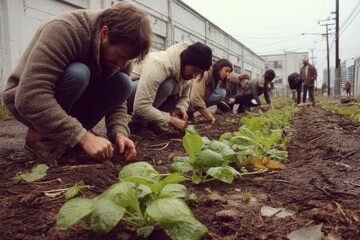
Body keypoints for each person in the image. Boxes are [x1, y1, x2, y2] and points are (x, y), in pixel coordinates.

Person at [1, 3, 152, 162]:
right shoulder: (65, 29)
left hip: (71, 102)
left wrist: (119, 132)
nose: (122, 64)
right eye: (121, 56)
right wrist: (83, 137)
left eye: (128, 59)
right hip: (26, 99)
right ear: (104, 33)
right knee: (78, 74)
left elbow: (118, 103)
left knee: (124, 83)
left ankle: (66, 139)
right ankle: (40, 138)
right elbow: (30, 97)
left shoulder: (122, 54)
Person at [127, 41, 212, 135]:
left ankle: (150, 123)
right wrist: (170, 119)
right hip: (125, 97)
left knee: (172, 93)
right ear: (186, 61)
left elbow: (184, 97)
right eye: (195, 70)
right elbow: (140, 106)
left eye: (199, 73)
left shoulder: (185, 72)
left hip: (140, 101)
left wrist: (181, 107)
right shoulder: (160, 63)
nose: (195, 76)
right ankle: (138, 124)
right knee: (167, 85)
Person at [189, 59, 232, 123]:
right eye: (226, 71)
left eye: (229, 72)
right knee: (197, 100)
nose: (227, 74)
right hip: (185, 97)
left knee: (222, 92)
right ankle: (188, 111)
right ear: (219, 67)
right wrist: (210, 118)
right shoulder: (206, 72)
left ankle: (190, 112)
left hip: (192, 99)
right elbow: (195, 98)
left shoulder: (215, 78)